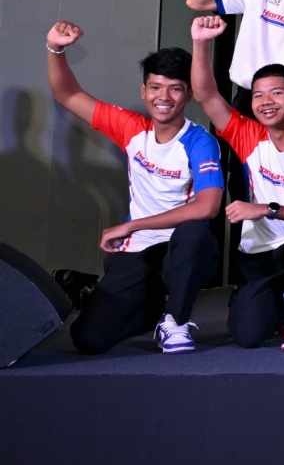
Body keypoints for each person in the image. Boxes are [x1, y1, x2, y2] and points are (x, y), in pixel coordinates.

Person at [46, 20, 221, 355]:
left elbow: (208, 206)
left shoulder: (199, 142)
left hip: (180, 249)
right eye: (155, 87)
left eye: (175, 89)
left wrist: (131, 225)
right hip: (138, 249)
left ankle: (176, 322)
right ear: (143, 92)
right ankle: (146, 309)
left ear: (188, 94)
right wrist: (55, 49)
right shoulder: (131, 129)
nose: (163, 97)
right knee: (88, 339)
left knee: (194, 233)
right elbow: (67, 95)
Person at [187, 15, 284, 350]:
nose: (265, 102)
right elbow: (206, 95)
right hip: (262, 251)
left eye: (276, 93)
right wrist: (201, 43)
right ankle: (277, 300)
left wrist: (267, 209)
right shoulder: (249, 135)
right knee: (248, 335)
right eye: (258, 95)